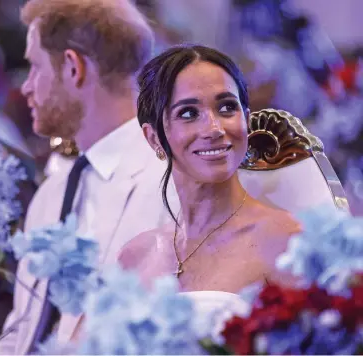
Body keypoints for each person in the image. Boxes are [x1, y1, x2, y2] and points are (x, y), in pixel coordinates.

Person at [0, 0, 178, 354]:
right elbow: (21, 331)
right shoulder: (52, 190)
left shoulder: (172, 184)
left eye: (34, 67)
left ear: (74, 68)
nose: (27, 87)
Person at [119, 44, 301, 293]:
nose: (214, 128)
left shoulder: (287, 244)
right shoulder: (134, 258)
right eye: (188, 113)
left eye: (227, 107)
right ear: (154, 138)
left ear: (246, 121)